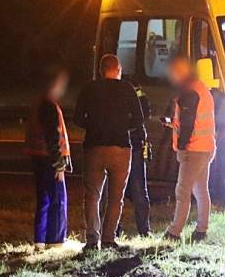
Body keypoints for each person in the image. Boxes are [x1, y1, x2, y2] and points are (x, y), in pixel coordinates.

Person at [74, 54, 146, 252]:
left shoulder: (89, 88)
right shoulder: (126, 88)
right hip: (121, 148)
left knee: (92, 195)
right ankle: (108, 238)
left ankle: (91, 238)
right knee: (116, 197)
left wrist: (94, 125)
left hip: (94, 147)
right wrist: (123, 126)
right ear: (118, 70)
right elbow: (139, 119)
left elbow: (77, 118)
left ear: (100, 70)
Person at [164, 55, 216, 242]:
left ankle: (174, 232)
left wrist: (181, 147)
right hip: (206, 146)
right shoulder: (201, 88)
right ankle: (201, 230)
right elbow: (191, 120)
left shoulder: (189, 92)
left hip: (193, 149)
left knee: (182, 191)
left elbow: (187, 124)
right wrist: (174, 125)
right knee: (201, 190)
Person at [24, 66, 72, 250]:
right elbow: (52, 137)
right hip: (49, 160)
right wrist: (59, 164)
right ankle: (55, 241)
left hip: (38, 158)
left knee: (43, 200)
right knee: (58, 200)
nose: (63, 87)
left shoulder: (38, 104)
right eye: (61, 83)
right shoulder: (50, 106)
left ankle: (40, 240)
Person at [123, 79, 152, 237]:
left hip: (120, 142)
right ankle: (144, 231)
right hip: (133, 142)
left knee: (114, 192)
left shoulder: (103, 88)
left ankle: (112, 231)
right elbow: (145, 113)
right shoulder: (135, 87)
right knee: (139, 189)